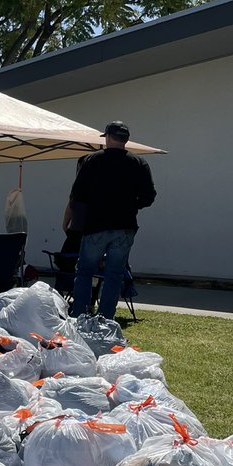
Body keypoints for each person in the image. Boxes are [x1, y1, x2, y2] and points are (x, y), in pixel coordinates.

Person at [69, 121, 156, 319]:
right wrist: (133, 205)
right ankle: (105, 318)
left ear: (108, 137)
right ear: (126, 140)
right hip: (125, 226)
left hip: (96, 226)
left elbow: (78, 194)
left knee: (85, 272)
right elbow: (149, 196)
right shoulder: (139, 163)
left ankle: (80, 314)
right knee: (114, 274)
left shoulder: (92, 160)